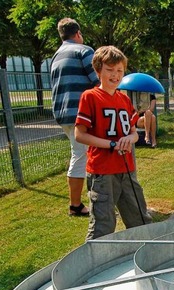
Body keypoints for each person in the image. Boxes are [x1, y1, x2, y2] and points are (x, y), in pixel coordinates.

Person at [74, 45, 152, 240]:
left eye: (120, 70)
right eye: (110, 70)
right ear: (98, 70)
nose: (115, 75)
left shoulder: (124, 100)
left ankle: (145, 258)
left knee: (140, 219)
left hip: (127, 169)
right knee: (103, 225)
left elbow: (134, 133)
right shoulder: (90, 97)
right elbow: (80, 134)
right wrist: (110, 144)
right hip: (102, 171)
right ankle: (94, 266)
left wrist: (130, 138)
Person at [50, 17, 100, 217]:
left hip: (62, 113)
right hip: (82, 113)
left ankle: (83, 201)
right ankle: (77, 205)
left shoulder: (56, 56)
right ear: (78, 33)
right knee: (82, 157)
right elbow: (99, 80)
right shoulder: (84, 51)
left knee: (79, 154)